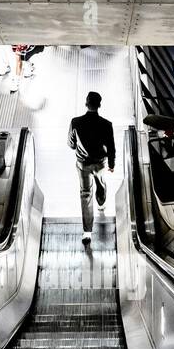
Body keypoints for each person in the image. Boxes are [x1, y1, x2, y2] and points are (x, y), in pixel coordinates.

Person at [67, 90, 116, 245]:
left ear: (86, 103)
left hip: (83, 164)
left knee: (85, 193)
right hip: (101, 163)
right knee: (101, 184)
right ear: (99, 105)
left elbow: (70, 143)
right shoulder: (107, 125)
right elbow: (111, 147)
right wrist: (112, 164)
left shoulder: (75, 122)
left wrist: (78, 147)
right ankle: (101, 203)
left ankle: (87, 231)